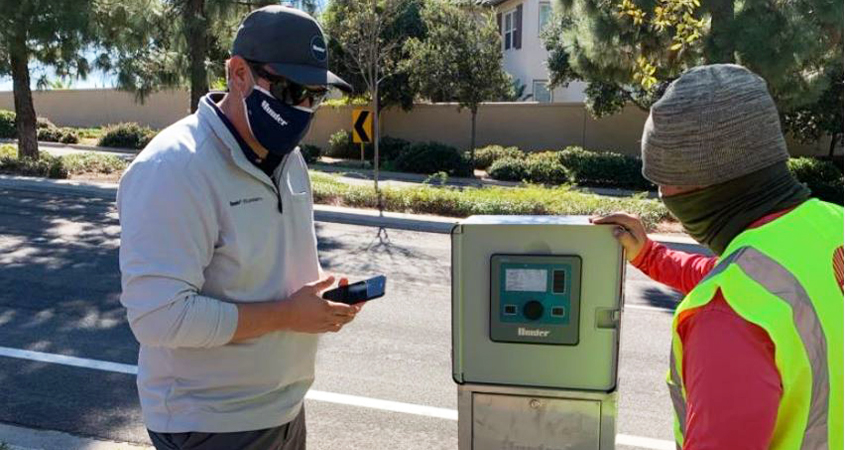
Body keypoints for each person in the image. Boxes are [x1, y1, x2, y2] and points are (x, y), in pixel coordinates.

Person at [117, 6, 359, 450]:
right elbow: (158, 317)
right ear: (238, 74)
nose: (304, 108)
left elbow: (270, 268)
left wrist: (318, 302)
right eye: (290, 90)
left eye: (316, 95)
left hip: (283, 407)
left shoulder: (288, 159)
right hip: (211, 421)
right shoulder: (174, 166)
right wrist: (289, 315)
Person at [592, 64, 843, 449]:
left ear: (704, 181)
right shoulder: (830, 223)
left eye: (663, 178)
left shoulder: (725, 317)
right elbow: (755, 281)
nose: (662, 192)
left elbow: (739, 292)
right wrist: (649, 255)